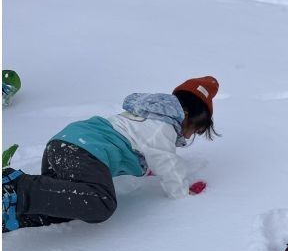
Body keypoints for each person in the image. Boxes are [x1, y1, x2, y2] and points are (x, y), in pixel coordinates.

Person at [2, 76, 219, 233]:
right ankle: (12, 188)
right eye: (194, 130)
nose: (188, 136)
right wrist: (182, 193)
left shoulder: (145, 117)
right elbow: (166, 161)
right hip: (83, 149)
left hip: (65, 146)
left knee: (69, 205)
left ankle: (14, 214)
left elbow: (141, 148)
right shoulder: (162, 127)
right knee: (100, 203)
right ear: (186, 116)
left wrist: (146, 168)